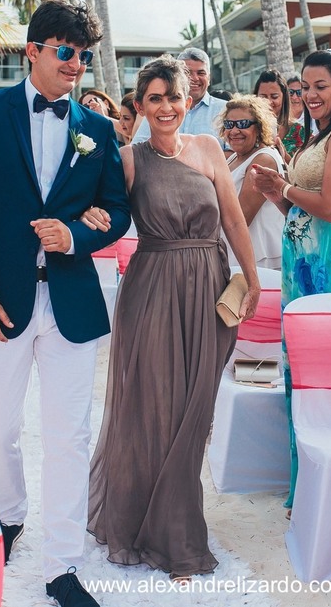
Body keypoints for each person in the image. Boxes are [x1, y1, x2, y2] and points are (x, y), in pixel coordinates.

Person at [0, 0, 129, 607]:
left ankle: (63, 566)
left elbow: (116, 212)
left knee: (69, 435)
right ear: (34, 51)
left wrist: (78, 234)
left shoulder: (97, 130)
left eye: (84, 55)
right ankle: (6, 514)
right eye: (65, 52)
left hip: (71, 300)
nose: (76, 64)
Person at [87, 57, 260, 578]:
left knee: (195, 407)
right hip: (153, 289)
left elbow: (232, 217)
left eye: (174, 97)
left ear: (189, 101)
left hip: (209, 287)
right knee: (154, 408)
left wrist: (251, 279)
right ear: (139, 106)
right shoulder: (127, 159)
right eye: (155, 98)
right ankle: (169, 536)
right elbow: (105, 213)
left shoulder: (209, 149)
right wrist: (88, 217)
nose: (166, 107)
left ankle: (175, 521)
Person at [251, 48, 331, 509]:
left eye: (321, 85)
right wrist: (276, 195)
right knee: (296, 367)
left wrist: (282, 188)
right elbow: (304, 208)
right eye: (305, 86)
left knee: (324, 370)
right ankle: (302, 482)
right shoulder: (314, 135)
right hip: (301, 263)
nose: (310, 94)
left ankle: (327, 492)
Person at [217, 94, 284, 270]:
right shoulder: (233, 158)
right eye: (229, 124)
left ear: (260, 127)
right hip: (237, 254)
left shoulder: (263, 159)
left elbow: (241, 218)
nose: (234, 130)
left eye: (243, 124)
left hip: (261, 258)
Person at [131, 48, 226, 142]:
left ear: (208, 78)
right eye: (188, 73)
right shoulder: (158, 112)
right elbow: (138, 146)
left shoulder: (224, 110)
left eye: (201, 73)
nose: (195, 78)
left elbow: (236, 153)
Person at [254, 69, 305, 160]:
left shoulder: (300, 131)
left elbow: (303, 170)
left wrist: (283, 154)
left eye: (274, 97)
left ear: (284, 98)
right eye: (263, 97)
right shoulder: (248, 129)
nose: (269, 102)